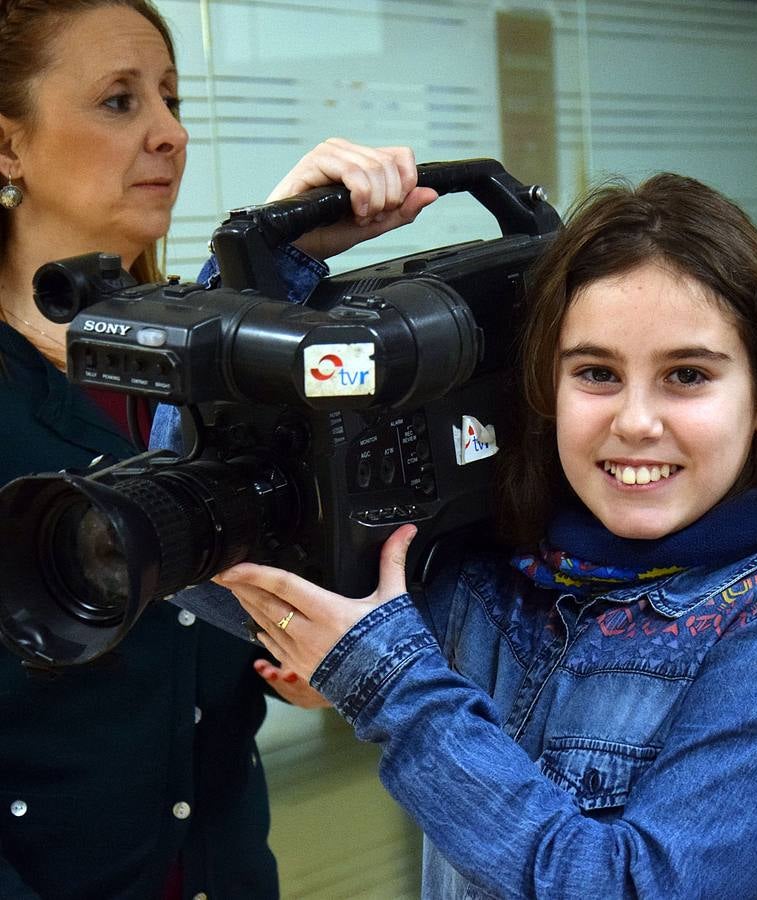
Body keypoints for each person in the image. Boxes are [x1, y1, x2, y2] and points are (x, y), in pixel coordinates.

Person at [208, 172, 757, 899]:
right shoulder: (488, 575)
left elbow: (624, 887)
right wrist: (271, 263)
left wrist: (389, 682)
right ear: (543, 387)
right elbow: (224, 555)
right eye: (596, 373)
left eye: (686, 375)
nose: (634, 422)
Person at [0, 1, 434, 897]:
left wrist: (311, 660)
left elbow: (236, 583)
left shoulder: (227, 359)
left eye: (170, 97)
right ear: (9, 149)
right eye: (119, 102)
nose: (168, 134)